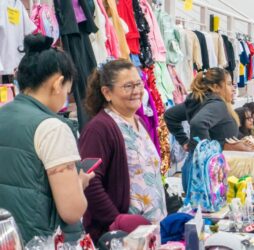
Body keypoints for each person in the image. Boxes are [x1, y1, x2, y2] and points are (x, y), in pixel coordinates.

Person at [0, 34, 93, 243]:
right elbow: (71, 210)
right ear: (58, 83)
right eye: (68, 90)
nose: (66, 96)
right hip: (37, 241)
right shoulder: (53, 129)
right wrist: (80, 182)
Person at [79, 59, 167, 242]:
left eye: (138, 83)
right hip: (123, 238)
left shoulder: (139, 122)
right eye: (128, 86)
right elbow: (90, 183)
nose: (136, 91)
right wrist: (117, 222)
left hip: (149, 233)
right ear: (107, 92)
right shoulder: (99, 128)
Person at [164, 67, 242, 192]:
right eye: (228, 84)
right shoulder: (217, 104)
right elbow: (198, 124)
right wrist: (207, 156)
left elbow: (170, 116)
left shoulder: (199, 102)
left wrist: (184, 141)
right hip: (205, 171)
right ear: (215, 87)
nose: (233, 89)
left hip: (196, 168)